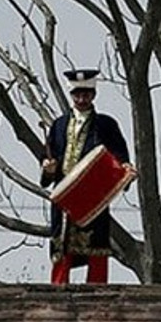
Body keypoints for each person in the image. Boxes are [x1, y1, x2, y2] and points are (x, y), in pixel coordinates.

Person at [40, 68, 131, 285]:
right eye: (77, 95)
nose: (81, 99)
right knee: (62, 245)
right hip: (65, 194)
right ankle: (58, 291)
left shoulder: (106, 125)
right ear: (72, 96)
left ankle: (98, 293)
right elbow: (48, 157)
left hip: (93, 196)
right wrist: (48, 168)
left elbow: (119, 155)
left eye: (86, 95)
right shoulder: (59, 125)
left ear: (93, 95)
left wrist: (125, 168)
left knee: (96, 245)